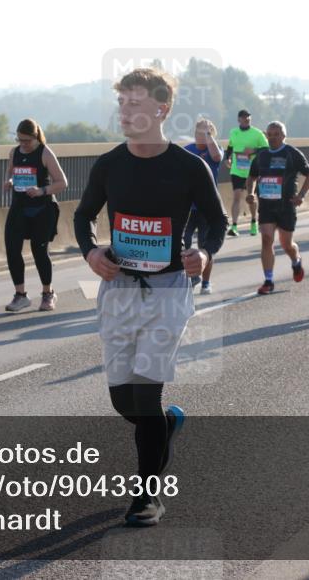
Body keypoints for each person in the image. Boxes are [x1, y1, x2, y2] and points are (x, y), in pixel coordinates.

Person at [74, 68, 227, 527]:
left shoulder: (188, 166)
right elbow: (83, 218)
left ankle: (146, 497)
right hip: (118, 289)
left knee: (145, 395)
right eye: (121, 102)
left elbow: (217, 223)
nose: (125, 111)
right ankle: (164, 428)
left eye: (135, 103)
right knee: (126, 403)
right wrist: (92, 251)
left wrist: (203, 251)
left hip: (168, 290)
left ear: (161, 109)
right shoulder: (109, 164)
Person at [2, 119, 69, 312]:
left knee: (39, 251)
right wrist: (9, 181)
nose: (23, 144)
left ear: (35, 137)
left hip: (42, 209)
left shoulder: (45, 153)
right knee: (12, 250)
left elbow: (62, 182)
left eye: (27, 140)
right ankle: (20, 295)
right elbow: (10, 173)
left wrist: (41, 190)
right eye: (19, 140)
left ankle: (48, 294)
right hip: (19, 207)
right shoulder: (14, 152)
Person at [247, 121, 309, 294]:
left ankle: (296, 261)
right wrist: (251, 193)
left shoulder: (292, 153)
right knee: (266, 240)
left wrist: (301, 196)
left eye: (276, 134)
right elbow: (252, 177)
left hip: (286, 206)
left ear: (284, 136)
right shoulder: (261, 156)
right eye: (269, 134)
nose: (272, 137)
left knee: (287, 245)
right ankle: (268, 281)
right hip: (267, 206)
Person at [183, 118, 223, 294]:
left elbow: (216, 157)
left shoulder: (214, 149)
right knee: (183, 240)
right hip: (188, 206)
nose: (201, 135)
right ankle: (192, 276)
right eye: (199, 131)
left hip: (207, 207)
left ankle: (205, 282)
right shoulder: (187, 151)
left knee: (204, 246)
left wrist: (208, 136)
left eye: (205, 132)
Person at [223, 109, 268, 236]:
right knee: (236, 196)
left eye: (248, 117)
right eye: (243, 117)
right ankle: (234, 226)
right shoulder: (233, 132)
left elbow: (265, 148)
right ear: (239, 119)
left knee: (251, 198)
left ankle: (254, 222)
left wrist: (253, 151)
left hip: (252, 171)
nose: (246, 119)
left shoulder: (258, 133)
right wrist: (228, 158)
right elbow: (230, 147)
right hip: (237, 169)